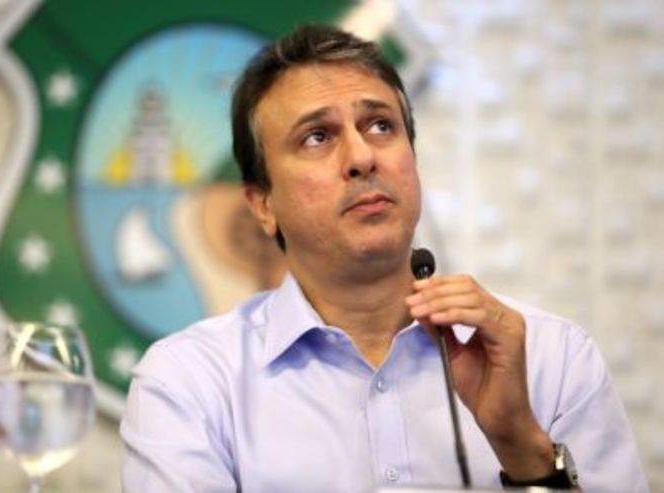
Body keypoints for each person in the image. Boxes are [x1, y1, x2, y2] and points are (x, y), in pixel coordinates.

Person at [120, 25, 648, 492]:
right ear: (263, 205)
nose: (361, 157)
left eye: (379, 126)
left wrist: (521, 445)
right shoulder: (191, 383)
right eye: (317, 136)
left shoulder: (552, 357)